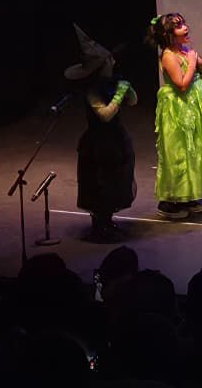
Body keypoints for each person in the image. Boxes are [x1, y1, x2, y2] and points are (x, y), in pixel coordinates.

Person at [146, 13, 202, 219]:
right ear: (168, 35)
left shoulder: (186, 50)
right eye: (179, 26)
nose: (185, 28)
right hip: (177, 109)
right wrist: (193, 62)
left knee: (194, 150)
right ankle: (170, 201)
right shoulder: (169, 56)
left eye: (184, 23)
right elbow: (182, 85)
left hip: (193, 106)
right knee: (179, 152)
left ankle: (189, 195)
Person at [65, 24, 136, 242]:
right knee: (101, 184)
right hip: (99, 143)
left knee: (117, 181)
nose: (113, 61)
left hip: (115, 139)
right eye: (109, 60)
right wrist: (119, 95)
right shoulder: (93, 90)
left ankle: (108, 220)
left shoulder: (112, 82)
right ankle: (100, 224)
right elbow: (104, 115)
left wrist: (127, 90)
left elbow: (133, 101)